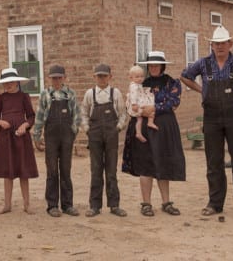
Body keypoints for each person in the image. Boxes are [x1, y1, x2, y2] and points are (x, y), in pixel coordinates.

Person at [181, 25, 233, 220]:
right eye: (216, 44)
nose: (219, 47)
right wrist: (201, 89)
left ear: (229, 44)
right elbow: (185, 76)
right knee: (214, 162)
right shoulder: (203, 63)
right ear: (211, 45)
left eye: (223, 43)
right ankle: (215, 204)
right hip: (211, 117)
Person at [122, 51, 186, 217]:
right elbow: (132, 103)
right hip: (144, 127)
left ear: (163, 66)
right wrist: (141, 111)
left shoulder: (172, 82)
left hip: (164, 127)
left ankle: (166, 202)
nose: (154, 68)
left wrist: (154, 109)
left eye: (157, 65)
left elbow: (173, 102)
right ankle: (146, 203)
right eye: (151, 65)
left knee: (163, 162)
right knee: (146, 164)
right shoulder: (141, 82)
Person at [33, 64, 81, 217]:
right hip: (51, 136)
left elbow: (77, 116)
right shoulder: (45, 94)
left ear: (64, 78)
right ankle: (52, 205)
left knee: (66, 170)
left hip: (67, 136)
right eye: (54, 78)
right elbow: (40, 116)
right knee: (52, 170)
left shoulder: (71, 94)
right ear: (50, 78)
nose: (57, 80)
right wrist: (37, 135)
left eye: (59, 77)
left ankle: (68, 205)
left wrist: (73, 131)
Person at [81, 63, 128, 217]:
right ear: (94, 77)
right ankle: (94, 206)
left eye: (104, 76)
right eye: (98, 76)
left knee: (111, 171)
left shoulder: (115, 94)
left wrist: (119, 127)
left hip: (111, 135)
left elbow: (122, 114)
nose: (101, 79)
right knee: (96, 170)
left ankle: (114, 205)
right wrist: (87, 129)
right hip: (94, 135)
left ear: (110, 77)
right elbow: (84, 113)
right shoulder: (90, 94)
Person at [0, 67, 38, 214]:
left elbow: (31, 116)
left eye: (11, 82)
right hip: (6, 137)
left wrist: (25, 125)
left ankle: (27, 204)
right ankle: (7, 205)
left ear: (17, 82)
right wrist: (0, 122)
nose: (8, 85)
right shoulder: (0, 98)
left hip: (21, 136)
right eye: (6, 83)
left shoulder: (24, 97)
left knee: (23, 170)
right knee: (8, 171)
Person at [127, 65, 158, 143]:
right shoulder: (134, 86)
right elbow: (133, 95)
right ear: (131, 78)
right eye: (137, 77)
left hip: (140, 102)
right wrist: (134, 104)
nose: (140, 78)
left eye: (141, 76)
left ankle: (139, 132)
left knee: (140, 119)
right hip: (137, 104)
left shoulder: (138, 85)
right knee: (149, 112)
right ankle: (149, 123)